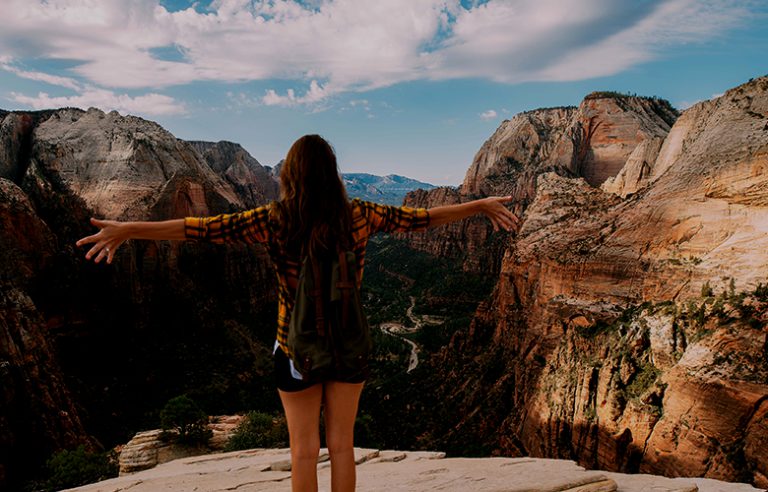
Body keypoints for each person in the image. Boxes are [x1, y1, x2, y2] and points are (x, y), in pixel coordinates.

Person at [76, 134, 519, 492]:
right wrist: (478, 206)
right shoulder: (360, 214)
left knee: (304, 452)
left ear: (290, 175)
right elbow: (421, 218)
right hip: (350, 347)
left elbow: (202, 230)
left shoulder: (276, 218)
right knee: (342, 448)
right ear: (333, 175)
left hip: (294, 349)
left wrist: (130, 229)